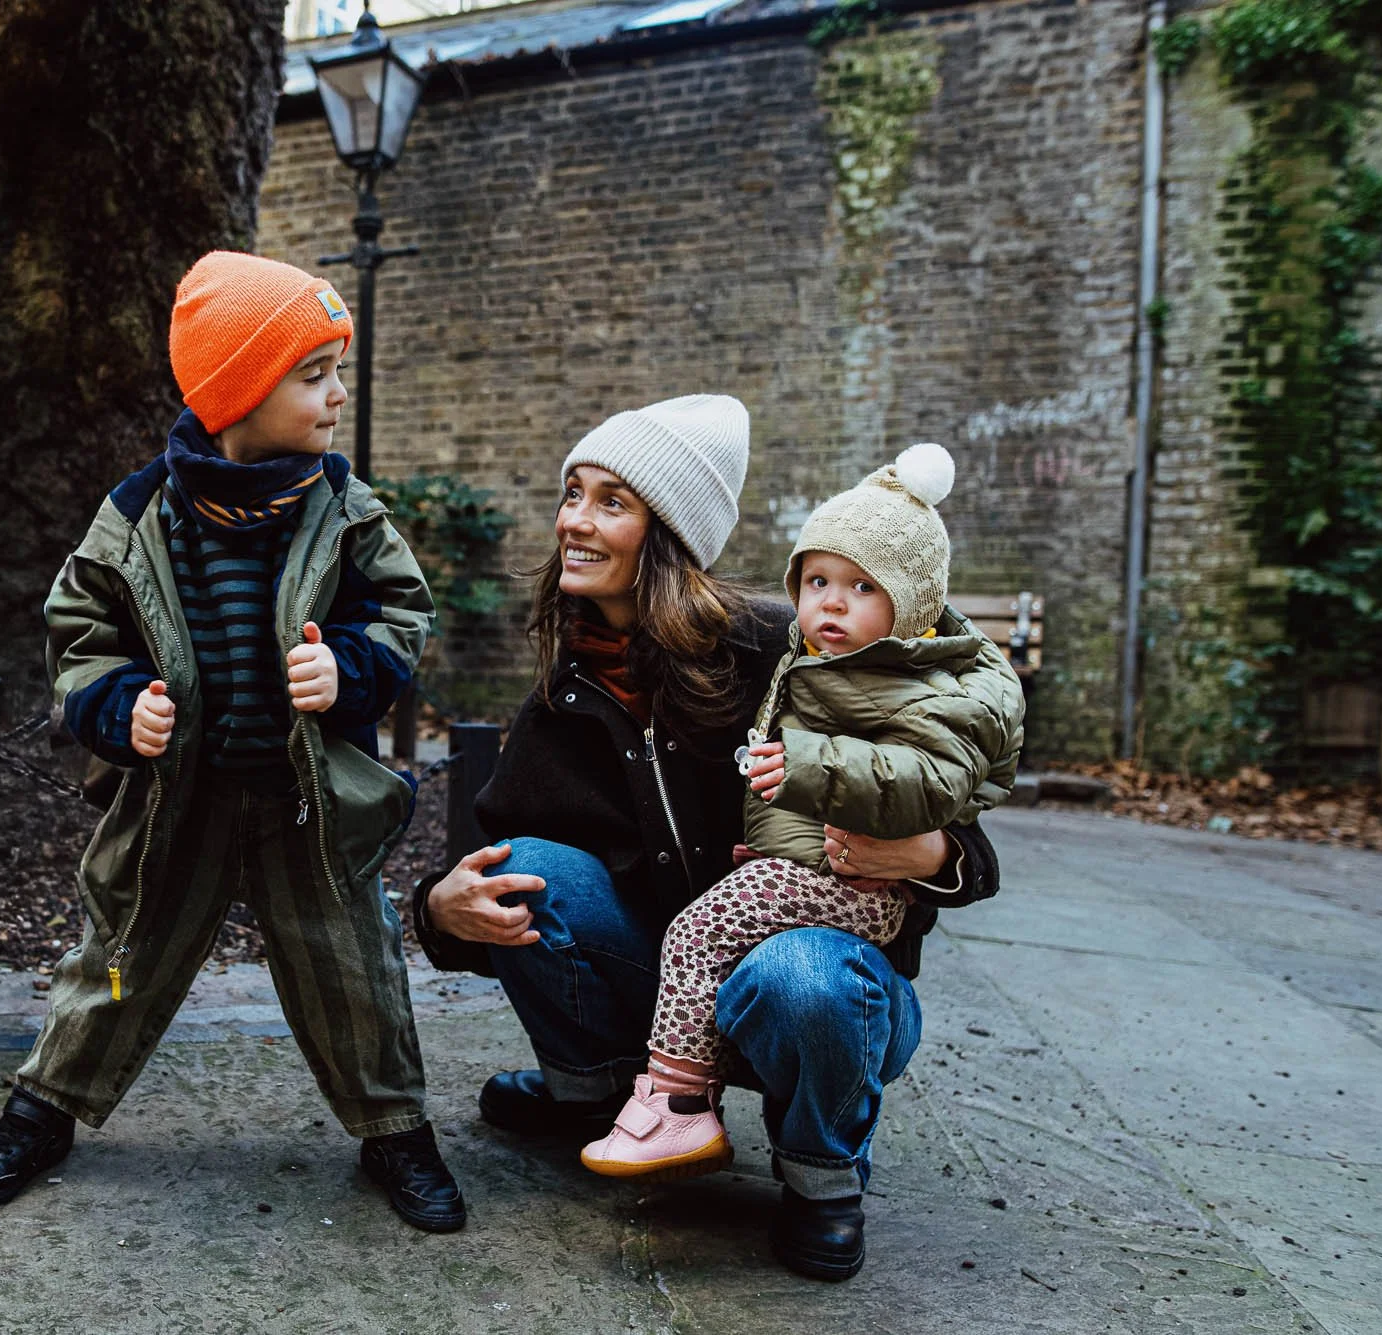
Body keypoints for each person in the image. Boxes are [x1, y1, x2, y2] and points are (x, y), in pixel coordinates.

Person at [412, 395, 1023, 1279]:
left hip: (816, 983)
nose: (574, 520)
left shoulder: (788, 647)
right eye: (573, 493)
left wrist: (935, 855)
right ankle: (594, 1091)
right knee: (529, 871)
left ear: (667, 533)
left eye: (611, 502)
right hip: (670, 978)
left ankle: (821, 1172)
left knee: (799, 972)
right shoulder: (572, 685)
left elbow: (956, 808)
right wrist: (439, 909)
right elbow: (492, 855)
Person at [0, 251, 466, 1233]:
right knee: (119, 955)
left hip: (308, 801)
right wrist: (119, 707)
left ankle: (394, 1126)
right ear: (239, 391)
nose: (336, 395)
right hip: (173, 799)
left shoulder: (346, 508)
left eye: (336, 372)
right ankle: (41, 1110)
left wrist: (349, 668)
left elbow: (402, 612)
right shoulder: (135, 516)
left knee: (352, 964)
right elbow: (79, 634)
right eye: (313, 375)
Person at [579, 441, 1023, 1182]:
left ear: (912, 605)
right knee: (714, 940)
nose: (832, 602)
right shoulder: (805, 655)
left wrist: (925, 849)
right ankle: (626, 1093)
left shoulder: (929, 687)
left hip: (857, 894)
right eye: (817, 580)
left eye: (862, 586)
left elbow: (934, 781)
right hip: (809, 870)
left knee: (709, 936)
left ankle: (686, 1110)